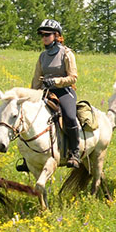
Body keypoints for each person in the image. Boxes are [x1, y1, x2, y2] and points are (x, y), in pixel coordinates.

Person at [30, 19, 83, 169]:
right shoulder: (42, 56)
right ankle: (30, 156)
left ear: (57, 35)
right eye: (42, 35)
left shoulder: (66, 53)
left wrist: (56, 82)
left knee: (70, 117)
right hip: (46, 92)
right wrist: (32, 95)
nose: (44, 37)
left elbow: (73, 77)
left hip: (65, 92)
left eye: (47, 34)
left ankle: (75, 152)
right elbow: (36, 79)